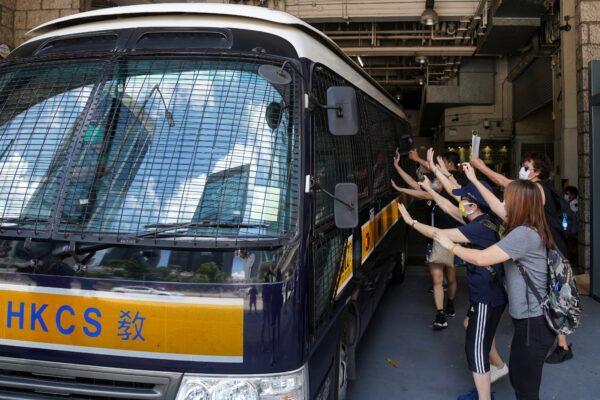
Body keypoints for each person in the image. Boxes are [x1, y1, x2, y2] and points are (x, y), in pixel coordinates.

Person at [434, 180, 557, 400]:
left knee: (525, 389)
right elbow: (494, 205)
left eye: (507, 199)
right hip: (529, 322)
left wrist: (450, 245)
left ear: (519, 204)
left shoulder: (523, 234)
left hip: (533, 325)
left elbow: (481, 257)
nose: (502, 203)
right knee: (521, 382)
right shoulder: (528, 225)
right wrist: (472, 175)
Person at [400, 180, 508, 400]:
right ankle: (498, 366)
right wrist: (431, 190)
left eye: (464, 199)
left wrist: (411, 222)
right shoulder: (485, 221)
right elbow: (448, 206)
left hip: (488, 296)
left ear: (475, 204)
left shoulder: (478, 228)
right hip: (488, 293)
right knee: (471, 325)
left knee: (475, 350)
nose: (459, 203)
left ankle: (484, 397)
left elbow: (439, 234)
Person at [470, 153, 574, 363]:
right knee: (551, 295)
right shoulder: (540, 189)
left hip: (548, 250)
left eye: (526, 167)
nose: (522, 170)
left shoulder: (535, 189)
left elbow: (505, 183)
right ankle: (562, 344)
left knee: (552, 296)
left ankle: (562, 346)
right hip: (548, 247)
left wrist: (480, 167)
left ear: (537, 172)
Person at [391, 151, 459, 329]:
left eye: (440, 162)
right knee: (437, 279)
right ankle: (440, 315)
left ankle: (450, 303)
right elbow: (415, 184)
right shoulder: (435, 182)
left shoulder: (450, 184)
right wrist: (397, 167)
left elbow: (426, 194)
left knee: (450, 278)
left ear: (447, 164)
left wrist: (400, 190)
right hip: (434, 237)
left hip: (450, 236)